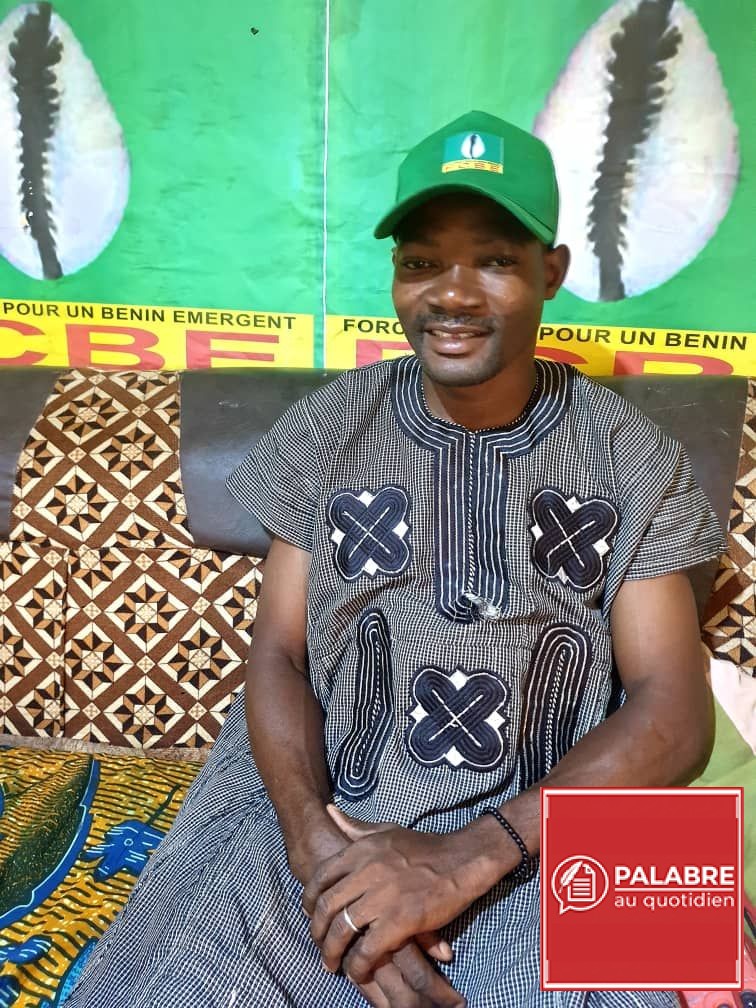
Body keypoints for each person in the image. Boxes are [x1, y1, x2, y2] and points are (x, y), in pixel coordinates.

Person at [64, 111, 724, 1008]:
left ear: (552, 272)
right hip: (325, 798)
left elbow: (673, 710)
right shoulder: (330, 428)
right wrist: (320, 858)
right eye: (421, 263)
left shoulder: (632, 457)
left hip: (547, 822)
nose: (452, 294)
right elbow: (279, 654)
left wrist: (465, 858)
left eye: (494, 259)